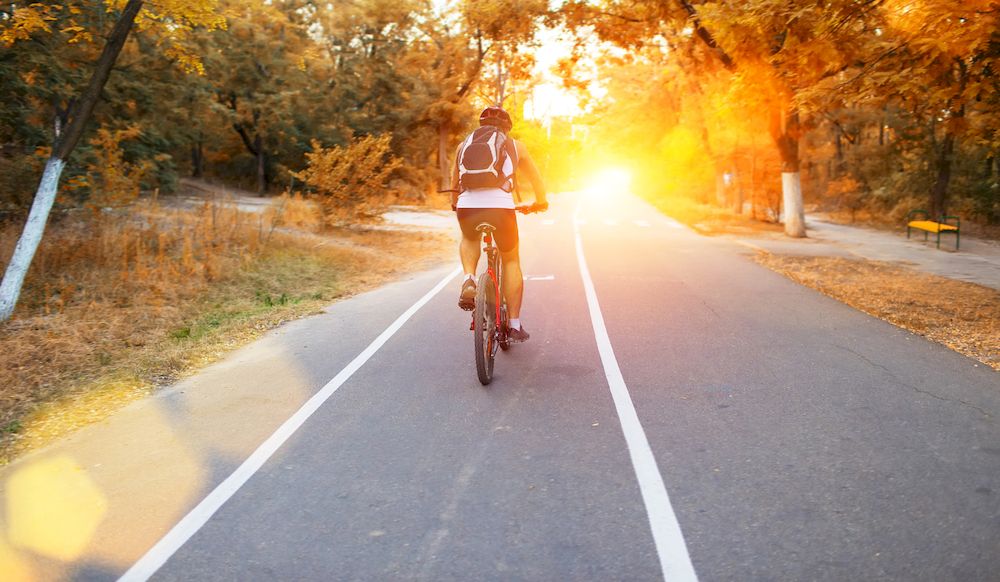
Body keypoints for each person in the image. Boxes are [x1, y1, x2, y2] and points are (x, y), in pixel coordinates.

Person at [450, 106, 548, 343]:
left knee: (470, 237)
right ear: (507, 128)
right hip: (501, 208)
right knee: (511, 259)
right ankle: (514, 325)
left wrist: (456, 205)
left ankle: (469, 279)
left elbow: (454, 182)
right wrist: (540, 202)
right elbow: (535, 179)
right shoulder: (516, 146)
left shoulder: (463, 146)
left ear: (481, 125)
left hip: (468, 205)